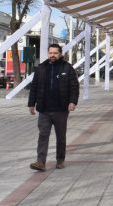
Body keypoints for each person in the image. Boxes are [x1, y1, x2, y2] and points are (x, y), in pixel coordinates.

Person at [28, 44, 79, 172]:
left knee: (60, 136)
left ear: (60, 54)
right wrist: (31, 104)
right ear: (47, 53)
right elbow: (34, 87)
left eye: (55, 53)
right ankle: (40, 162)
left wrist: (73, 102)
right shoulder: (41, 68)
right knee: (43, 135)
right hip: (44, 109)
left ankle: (60, 159)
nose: (52, 55)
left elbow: (74, 87)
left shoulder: (67, 68)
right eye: (50, 52)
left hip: (61, 109)